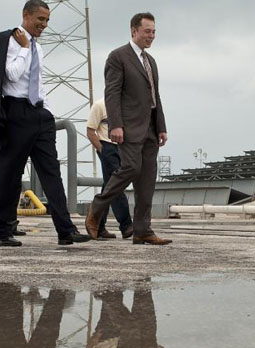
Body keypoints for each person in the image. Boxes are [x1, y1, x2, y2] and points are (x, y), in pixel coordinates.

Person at [0, 0, 91, 247]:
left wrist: (47, 110)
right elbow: (10, 75)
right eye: (40, 19)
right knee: (7, 173)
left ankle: (66, 230)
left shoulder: (37, 48)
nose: (44, 25)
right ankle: (0, 231)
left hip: (40, 114)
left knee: (52, 172)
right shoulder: (9, 41)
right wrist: (23, 49)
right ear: (26, 15)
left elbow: (38, 83)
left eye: (47, 21)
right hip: (16, 112)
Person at [85, 12, 170, 246]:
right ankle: (97, 207)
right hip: (129, 127)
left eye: (153, 31)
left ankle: (142, 229)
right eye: (147, 31)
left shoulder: (150, 60)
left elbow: (155, 96)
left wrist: (161, 126)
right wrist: (116, 124)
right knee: (130, 168)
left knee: (147, 180)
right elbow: (112, 93)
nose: (151, 36)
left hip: (151, 129)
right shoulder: (118, 57)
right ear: (133, 31)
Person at [86, 99, 133, 239]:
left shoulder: (126, 106)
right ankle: (126, 225)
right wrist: (101, 150)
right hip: (107, 146)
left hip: (123, 148)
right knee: (116, 184)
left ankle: (98, 225)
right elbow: (90, 131)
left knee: (109, 186)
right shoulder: (100, 105)